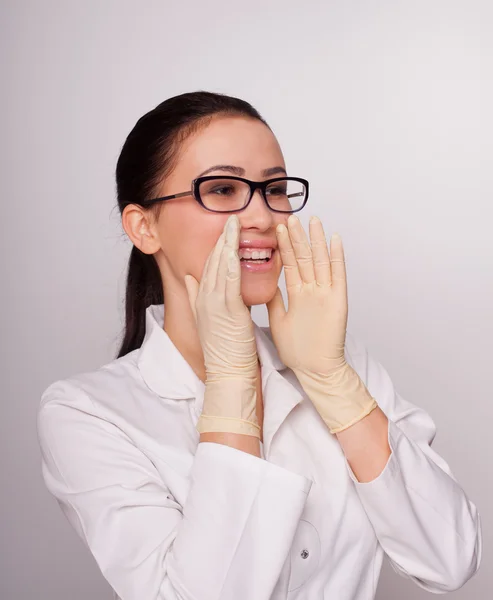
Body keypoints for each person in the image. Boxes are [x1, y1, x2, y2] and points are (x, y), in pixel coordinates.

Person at [37, 91, 482, 600]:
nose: (262, 216)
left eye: (274, 189)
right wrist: (231, 383)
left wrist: (331, 381)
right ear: (144, 227)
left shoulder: (337, 363)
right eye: (223, 189)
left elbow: (451, 560)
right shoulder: (89, 413)